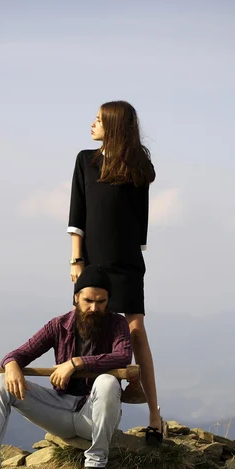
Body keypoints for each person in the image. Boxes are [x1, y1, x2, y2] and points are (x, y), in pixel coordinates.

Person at [0, 265, 132, 469]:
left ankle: (95, 466)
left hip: (94, 415)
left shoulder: (117, 324)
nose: (94, 307)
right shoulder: (58, 326)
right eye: (88, 300)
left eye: (101, 302)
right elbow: (17, 354)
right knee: (1, 382)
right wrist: (11, 365)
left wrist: (76, 363)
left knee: (108, 382)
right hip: (59, 410)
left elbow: (122, 356)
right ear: (76, 297)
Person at [67, 100, 162, 443]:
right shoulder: (85, 161)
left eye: (99, 119)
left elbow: (141, 216)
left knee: (136, 330)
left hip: (126, 262)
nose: (92, 124)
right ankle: (84, 409)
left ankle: (154, 414)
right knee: (90, 327)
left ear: (115, 126)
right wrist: (77, 262)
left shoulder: (138, 166)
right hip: (92, 264)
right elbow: (77, 213)